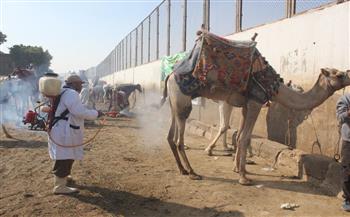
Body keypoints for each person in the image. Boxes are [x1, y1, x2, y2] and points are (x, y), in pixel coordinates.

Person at [48, 74, 103, 194]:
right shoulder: (71, 94)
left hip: (61, 128)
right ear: (73, 84)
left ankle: (64, 177)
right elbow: (79, 112)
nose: (80, 86)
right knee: (64, 156)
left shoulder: (63, 92)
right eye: (79, 83)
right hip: (64, 131)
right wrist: (96, 113)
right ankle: (59, 187)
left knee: (67, 154)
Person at [336, 93, 350, 212]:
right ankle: (347, 199)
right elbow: (340, 118)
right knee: (347, 170)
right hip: (348, 141)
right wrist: (348, 113)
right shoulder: (345, 99)